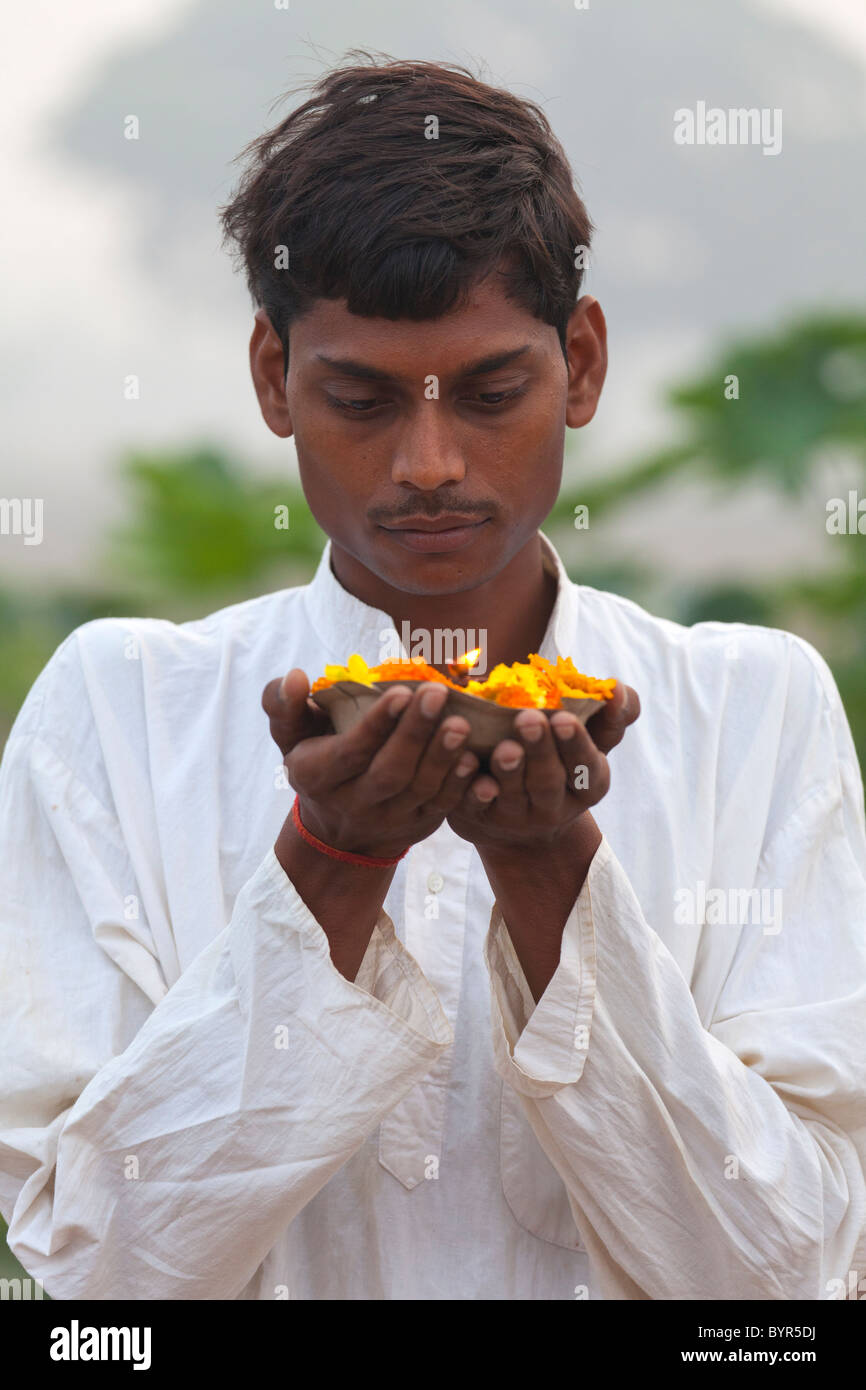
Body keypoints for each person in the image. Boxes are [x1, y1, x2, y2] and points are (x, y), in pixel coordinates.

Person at [1, 52, 865, 1302]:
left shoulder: (753, 709)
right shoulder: (121, 711)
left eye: (489, 390)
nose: (427, 462)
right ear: (270, 380)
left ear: (582, 362)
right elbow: (96, 1283)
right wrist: (329, 866)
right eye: (357, 397)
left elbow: (785, 1279)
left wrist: (550, 872)